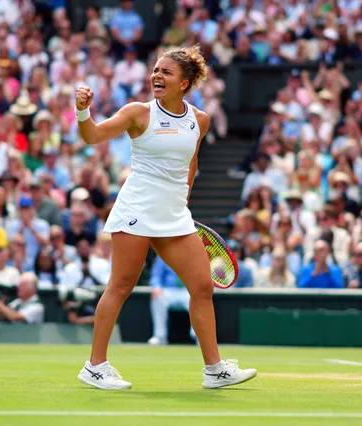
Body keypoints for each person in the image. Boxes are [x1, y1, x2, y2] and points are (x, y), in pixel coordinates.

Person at [74, 45, 257, 390]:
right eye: (155, 70)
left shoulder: (199, 120)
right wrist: (83, 112)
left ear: (185, 83)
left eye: (166, 72)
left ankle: (214, 369)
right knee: (122, 285)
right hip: (137, 209)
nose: (156, 76)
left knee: (202, 287)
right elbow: (93, 136)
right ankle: (95, 366)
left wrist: (183, 198)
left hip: (174, 215)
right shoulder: (137, 113)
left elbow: (191, 161)